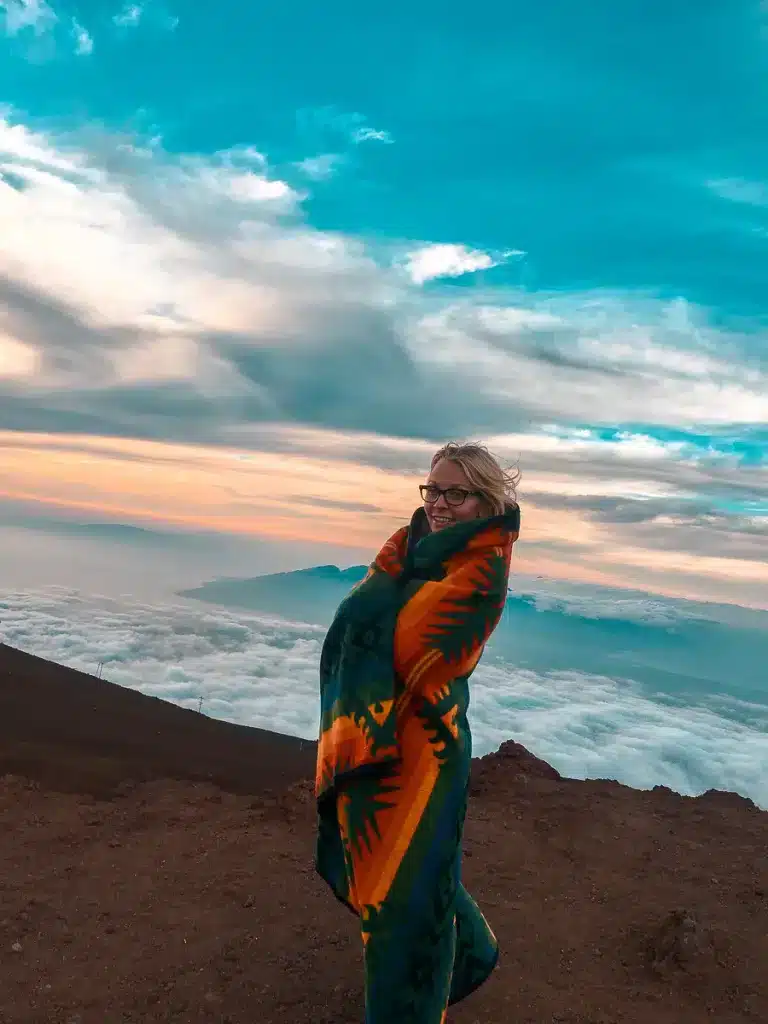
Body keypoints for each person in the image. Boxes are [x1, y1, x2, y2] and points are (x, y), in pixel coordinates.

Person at [315, 441, 521, 1023]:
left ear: (484, 502)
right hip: (381, 744)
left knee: (404, 905)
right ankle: (473, 953)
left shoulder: (481, 569)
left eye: (456, 493)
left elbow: (409, 647)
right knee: (410, 880)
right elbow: (368, 624)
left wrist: (369, 616)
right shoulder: (411, 552)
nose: (440, 504)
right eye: (434, 489)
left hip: (423, 758)